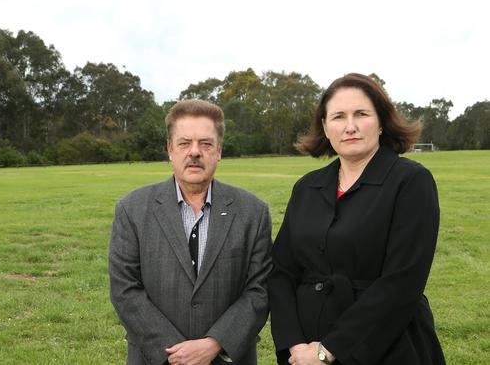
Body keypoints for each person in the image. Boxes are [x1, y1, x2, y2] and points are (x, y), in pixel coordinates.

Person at [268, 73, 446, 365]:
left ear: (381, 122)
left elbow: (402, 283)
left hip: (388, 349)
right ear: (325, 127)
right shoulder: (306, 187)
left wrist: (328, 352)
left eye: (361, 114)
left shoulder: (411, 182)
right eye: (338, 117)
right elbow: (281, 271)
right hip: (304, 354)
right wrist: (294, 344)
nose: (349, 126)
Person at [109, 99, 273, 365]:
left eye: (205, 144)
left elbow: (259, 289)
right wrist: (174, 352)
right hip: (155, 359)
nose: (195, 152)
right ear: (170, 149)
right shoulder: (132, 209)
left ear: (219, 151)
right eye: (184, 143)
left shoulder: (252, 211)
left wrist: (213, 344)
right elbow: (124, 289)